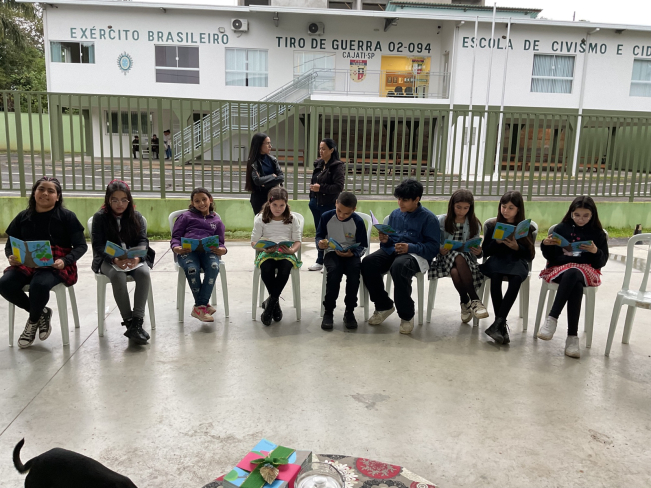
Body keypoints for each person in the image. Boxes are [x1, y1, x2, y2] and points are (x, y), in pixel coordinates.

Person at [0, 177, 87, 349]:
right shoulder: (23, 217)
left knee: (38, 285)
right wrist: (11, 256)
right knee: (4, 284)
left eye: (51, 191)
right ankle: (42, 313)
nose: (45, 193)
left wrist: (65, 260)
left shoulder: (67, 217)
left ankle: (33, 321)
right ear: (34, 193)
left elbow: (81, 246)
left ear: (58, 196)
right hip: (26, 263)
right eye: (41, 189)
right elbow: (10, 245)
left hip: (55, 264)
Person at [360, 179, 439, 335]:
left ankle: (406, 315)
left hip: (415, 255)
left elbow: (433, 248)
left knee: (399, 266)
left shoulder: (429, 219)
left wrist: (410, 247)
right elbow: (391, 240)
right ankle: (384, 305)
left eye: (405, 200)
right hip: (393, 250)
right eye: (399, 199)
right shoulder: (395, 214)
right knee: (368, 263)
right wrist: (386, 240)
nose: (400, 203)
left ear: (416, 199)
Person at [537, 196, 609, 358]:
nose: (580, 219)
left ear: (592, 215)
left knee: (575, 273)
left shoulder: (598, 233)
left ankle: (552, 318)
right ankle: (572, 338)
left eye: (585, 215)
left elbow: (602, 262)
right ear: (571, 213)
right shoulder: (561, 228)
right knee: (574, 281)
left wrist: (595, 251)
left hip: (587, 272)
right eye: (577, 215)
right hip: (560, 270)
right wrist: (546, 245)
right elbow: (552, 257)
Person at [91, 180, 154, 345]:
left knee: (144, 273)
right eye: (115, 200)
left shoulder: (136, 216)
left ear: (129, 200)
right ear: (108, 200)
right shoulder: (100, 217)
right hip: (108, 259)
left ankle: (137, 321)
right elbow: (98, 245)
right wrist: (114, 259)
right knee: (117, 275)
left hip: (133, 257)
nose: (120, 204)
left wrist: (137, 258)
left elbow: (143, 240)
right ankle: (129, 322)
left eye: (124, 200)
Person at [480, 190, 535, 345]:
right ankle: (500, 326)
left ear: (518, 209)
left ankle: (498, 325)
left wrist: (517, 247)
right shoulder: (492, 226)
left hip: (516, 261)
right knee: (495, 276)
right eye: (503, 206)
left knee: (516, 279)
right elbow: (486, 251)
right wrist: (496, 242)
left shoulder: (525, 228)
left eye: (511, 208)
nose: (506, 211)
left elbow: (530, 255)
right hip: (497, 260)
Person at [428, 189, 488, 324]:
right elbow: (433, 241)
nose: (462, 211)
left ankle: (465, 301)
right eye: (458, 207)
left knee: (456, 270)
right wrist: (439, 249)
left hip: (467, 261)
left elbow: (477, 249)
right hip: (445, 259)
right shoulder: (441, 221)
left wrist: (478, 252)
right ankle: (475, 299)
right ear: (452, 205)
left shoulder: (474, 223)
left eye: (466, 208)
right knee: (457, 255)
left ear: (470, 208)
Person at [171, 187, 227, 323]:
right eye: (197, 201)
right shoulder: (185, 217)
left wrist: (223, 250)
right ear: (192, 203)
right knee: (192, 269)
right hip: (187, 252)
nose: (201, 203)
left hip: (208, 251)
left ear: (210, 200)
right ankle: (203, 305)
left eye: (204, 199)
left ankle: (199, 307)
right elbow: (175, 237)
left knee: (214, 266)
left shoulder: (217, 221)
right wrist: (176, 247)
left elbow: (221, 242)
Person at [316, 191, 368, 331]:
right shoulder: (326, 217)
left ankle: (349, 311)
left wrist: (353, 253)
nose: (341, 215)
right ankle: (328, 311)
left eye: (346, 213)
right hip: (332, 253)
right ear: (336, 203)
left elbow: (363, 246)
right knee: (334, 272)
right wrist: (320, 244)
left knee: (354, 273)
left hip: (351, 254)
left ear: (354, 209)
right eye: (339, 210)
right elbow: (319, 236)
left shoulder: (357, 221)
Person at [250, 187, 302, 326]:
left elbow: (297, 241)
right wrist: (264, 248)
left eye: (282, 205)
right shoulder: (261, 218)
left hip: (286, 253)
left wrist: (292, 250)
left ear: (286, 204)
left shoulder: (292, 219)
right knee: (267, 269)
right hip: (267, 253)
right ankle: (275, 304)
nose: (278, 209)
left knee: (285, 270)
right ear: (269, 202)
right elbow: (254, 242)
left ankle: (270, 303)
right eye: (275, 205)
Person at [308, 138, 345, 272]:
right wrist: (312, 196)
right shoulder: (319, 164)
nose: (321, 151)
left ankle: (329, 261)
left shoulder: (337, 166)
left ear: (331, 150)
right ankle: (319, 260)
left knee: (330, 233)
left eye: (324, 149)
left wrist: (321, 188)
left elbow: (339, 187)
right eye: (320, 148)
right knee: (319, 233)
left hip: (328, 204)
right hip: (315, 203)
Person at [245, 132, 284, 216]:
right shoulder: (253, 162)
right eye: (267, 143)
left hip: (274, 197)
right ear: (259, 145)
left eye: (270, 143)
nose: (270, 146)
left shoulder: (272, 160)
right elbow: (257, 181)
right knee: (262, 221)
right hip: (259, 198)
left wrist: (265, 184)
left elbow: (281, 177)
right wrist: (272, 176)